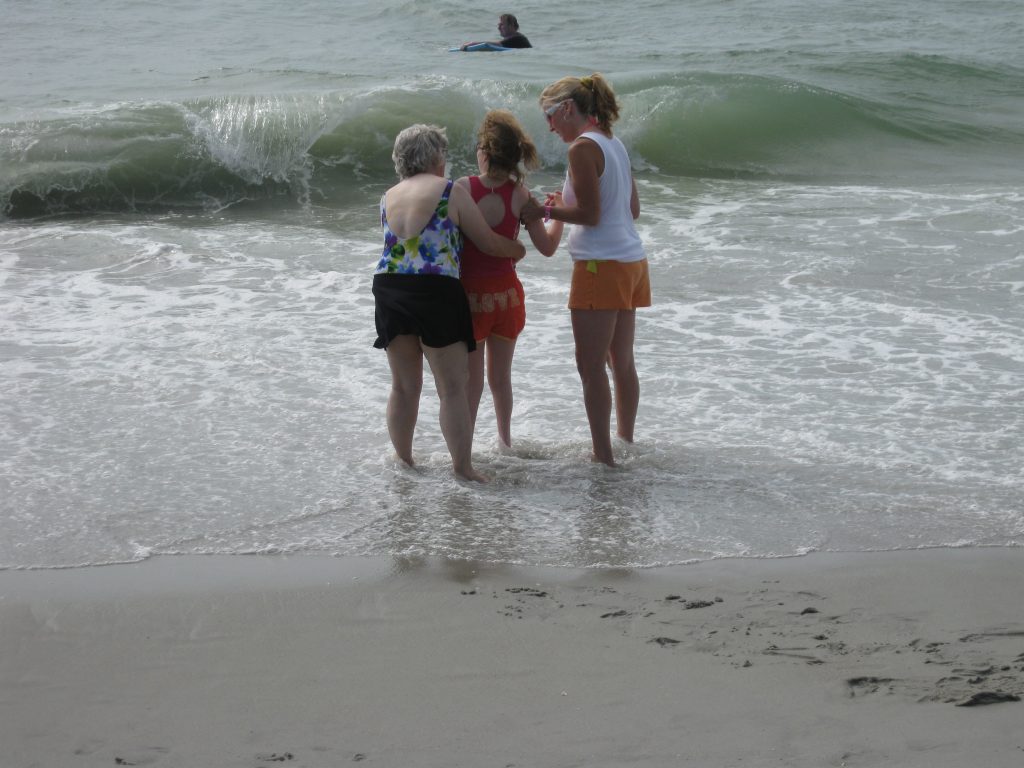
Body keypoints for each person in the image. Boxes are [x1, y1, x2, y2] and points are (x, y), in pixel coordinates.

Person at [373, 124, 525, 482]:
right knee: (453, 386)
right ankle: (462, 468)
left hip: (389, 287)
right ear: (435, 158)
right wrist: (517, 249)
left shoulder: (388, 195)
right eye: (443, 155)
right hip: (436, 290)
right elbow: (486, 241)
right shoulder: (448, 190)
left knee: (404, 386)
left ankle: (405, 461)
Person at [522, 73, 650, 467]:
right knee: (621, 362)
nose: (548, 125)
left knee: (591, 366)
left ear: (567, 108)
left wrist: (542, 210)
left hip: (600, 265)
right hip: (631, 261)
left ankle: (604, 457)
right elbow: (631, 210)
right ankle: (624, 440)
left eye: (550, 114)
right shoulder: (613, 142)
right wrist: (563, 204)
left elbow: (590, 215)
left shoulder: (581, 149)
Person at [455, 110, 556, 449]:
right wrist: (557, 217)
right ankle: (504, 441)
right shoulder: (522, 196)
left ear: (485, 150)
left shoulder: (463, 189)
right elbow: (545, 247)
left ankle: (465, 447)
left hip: (470, 300)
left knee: (472, 382)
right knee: (501, 380)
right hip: (508, 298)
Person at [460, 13, 532, 50]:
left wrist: (470, 44)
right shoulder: (516, 37)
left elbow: (490, 44)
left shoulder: (518, 39)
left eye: (502, 24)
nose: (498, 27)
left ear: (511, 25)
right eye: (498, 25)